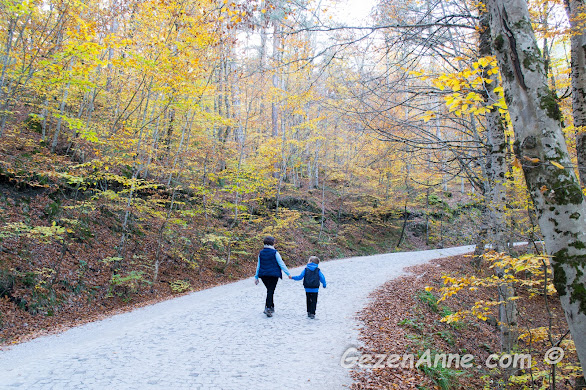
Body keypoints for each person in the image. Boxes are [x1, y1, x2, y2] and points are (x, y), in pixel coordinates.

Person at [254, 236, 291, 317]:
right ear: (272, 243)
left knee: (269, 290)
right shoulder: (275, 253)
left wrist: (256, 277)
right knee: (270, 291)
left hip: (263, 275)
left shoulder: (261, 253)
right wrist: (288, 274)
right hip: (273, 275)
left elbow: (258, 265)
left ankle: (271, 306)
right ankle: (267, 308)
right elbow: (281, 264)